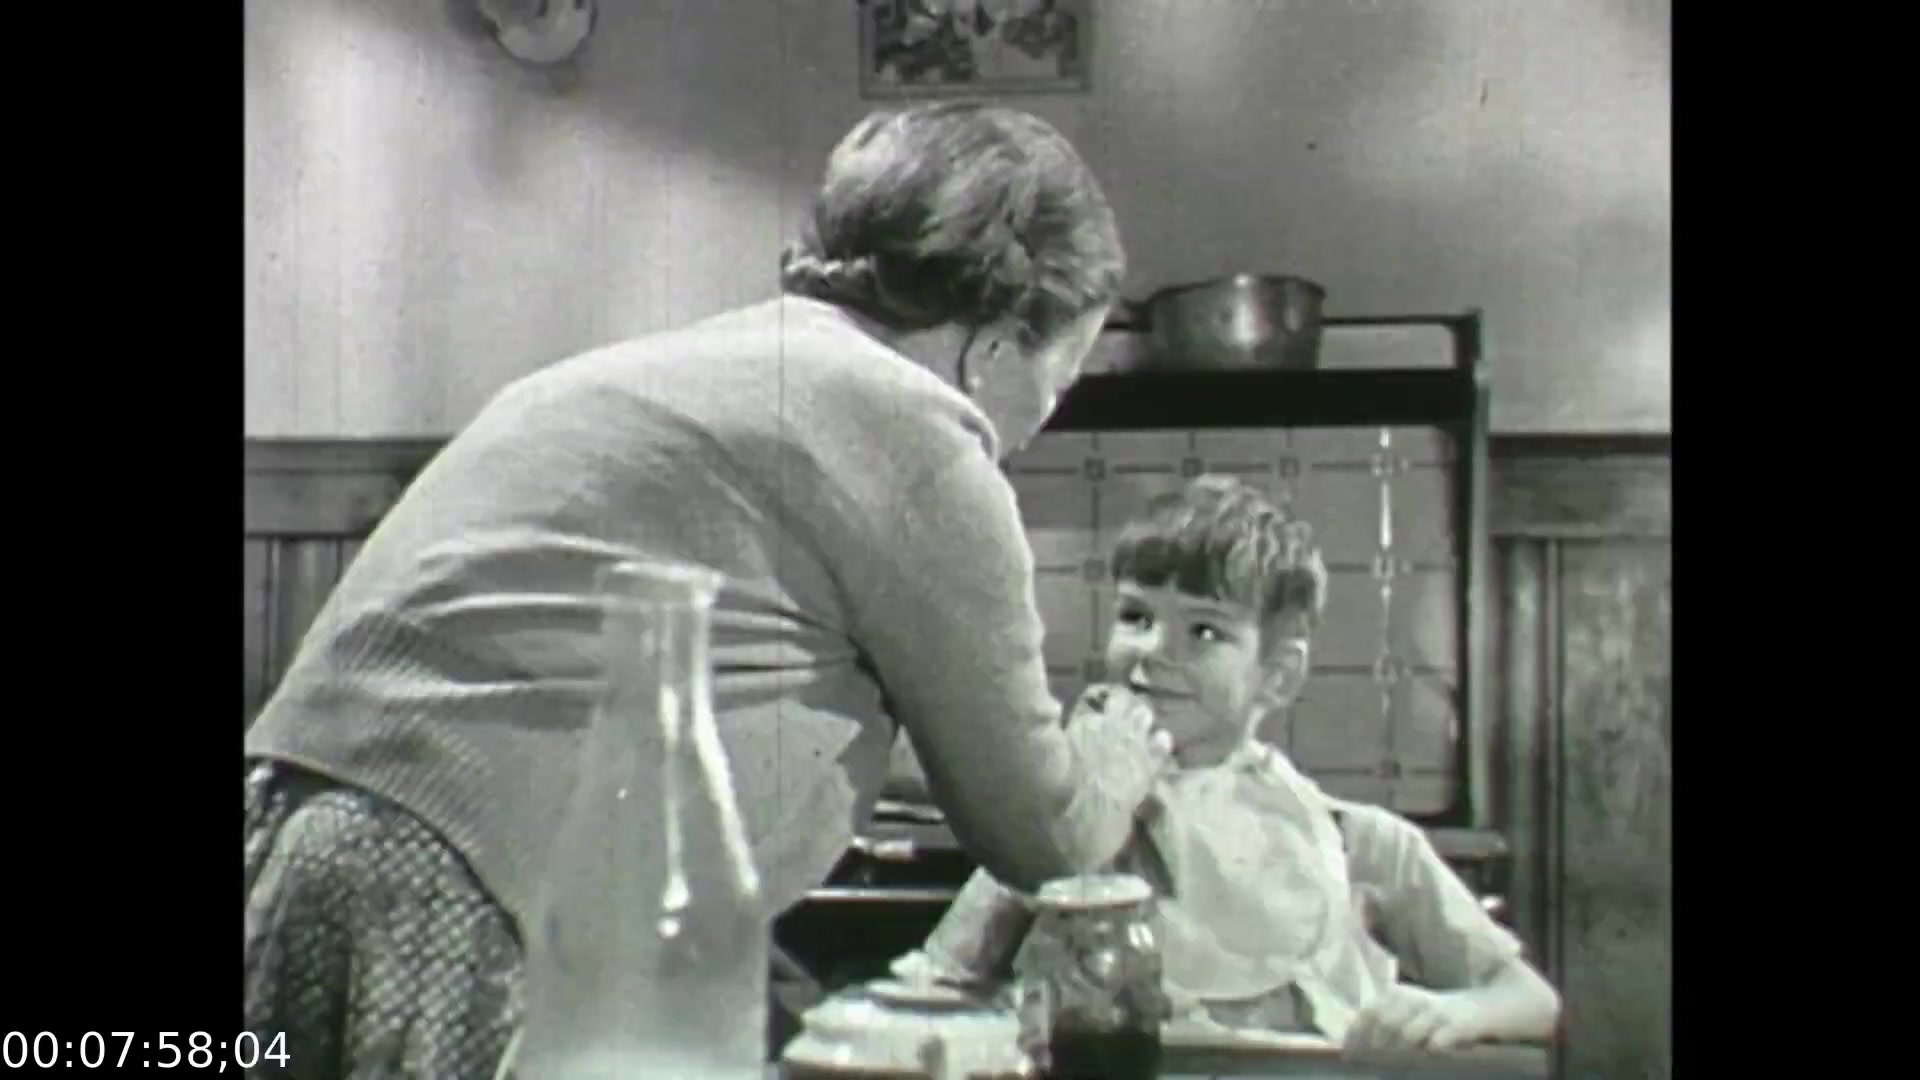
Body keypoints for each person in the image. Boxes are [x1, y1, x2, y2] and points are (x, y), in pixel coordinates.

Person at [242, 101, 1174, 1077]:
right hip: (487, 900)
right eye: (1056, 384)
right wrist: (1116, 756)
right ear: (993, 345)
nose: (1038, 425)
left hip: (294, 844)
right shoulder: (924, 436)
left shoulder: (688, 365)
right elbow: (1046, 845)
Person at [891, 476, 1562, 1056]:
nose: (1152, 651)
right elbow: (930, 992)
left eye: (1204, 631)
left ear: (1277, 674)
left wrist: (1451, 1012)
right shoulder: (1051, 832)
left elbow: (1530, 999)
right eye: (1135, 616)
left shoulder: (1365, 843)